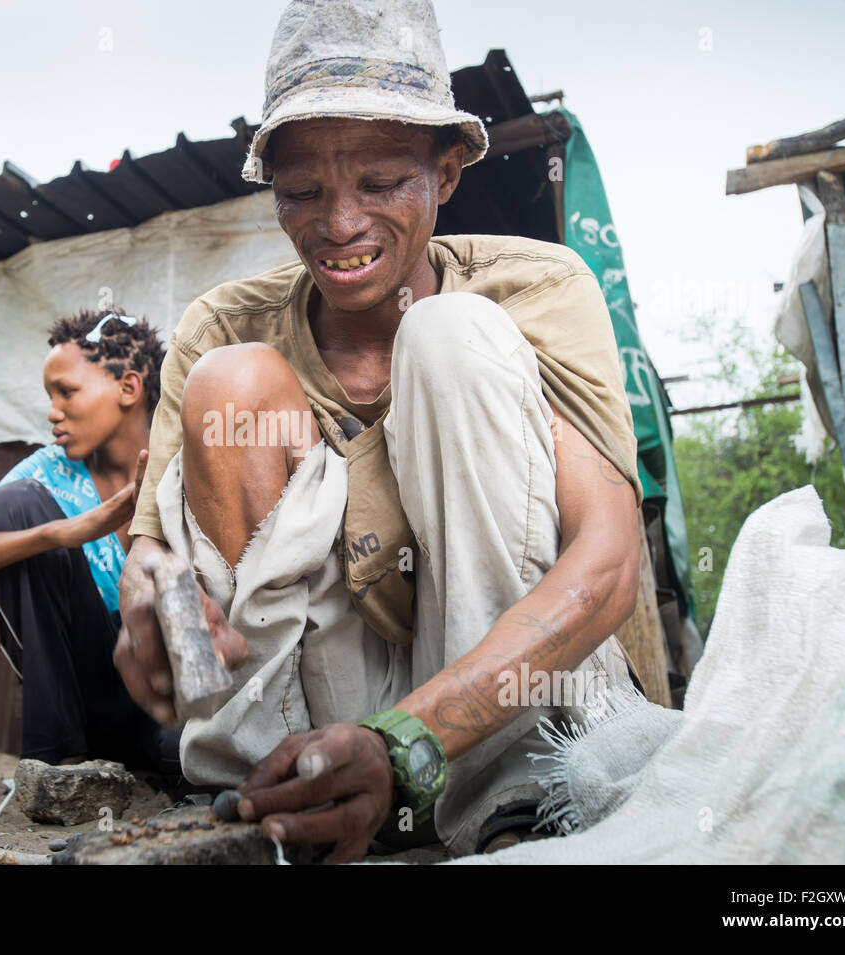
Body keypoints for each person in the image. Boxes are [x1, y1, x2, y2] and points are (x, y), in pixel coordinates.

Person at [113, 0, 646, 862]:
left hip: (503, 709)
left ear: (448, 172)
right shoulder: (222, 324)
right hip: (337, 718)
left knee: (450, 333)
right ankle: (285, 799)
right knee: (233, 382)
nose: (341, 224)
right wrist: (160, 609)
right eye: (302, 193)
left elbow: (609, 561)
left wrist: (409, 740)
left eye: (383, 182)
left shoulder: (540, 290)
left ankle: (507, 801)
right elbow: (153, 556)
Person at [0, 308, 179, 775]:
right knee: (14, 505)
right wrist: (58, 533)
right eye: (49, 395)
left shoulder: (182, 463)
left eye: (67, 392)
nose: (52, 411)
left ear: (129, 388)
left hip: (169, 699)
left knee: (183, 759)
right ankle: (60, 762)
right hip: (90, 704)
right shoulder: (49, 471)